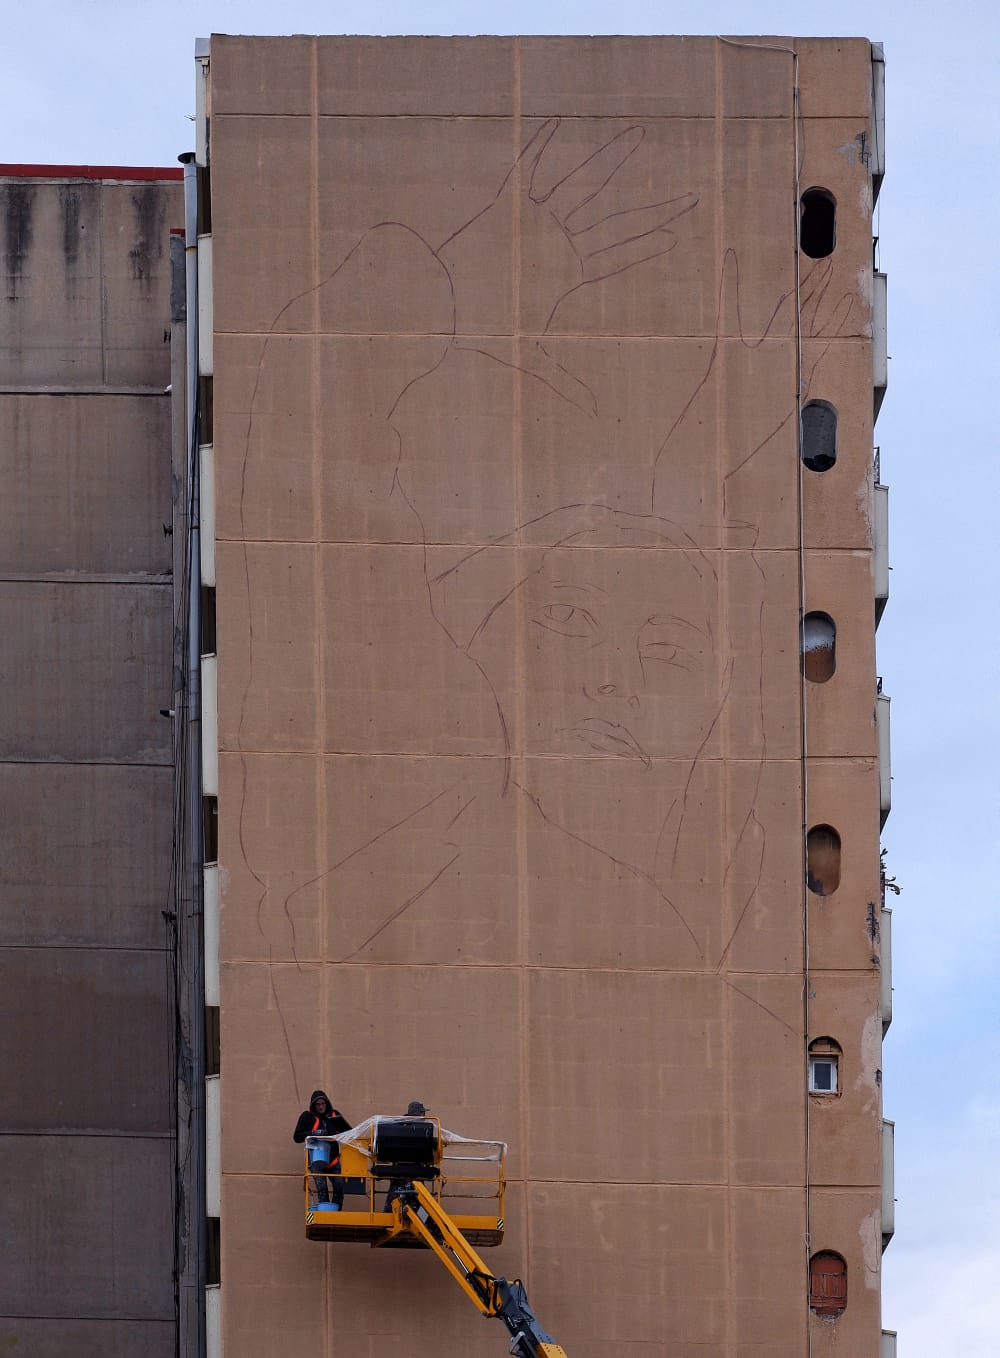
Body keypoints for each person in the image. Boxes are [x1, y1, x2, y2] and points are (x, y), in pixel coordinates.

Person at [293, 1090, 351, 1208]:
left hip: (333, 1160)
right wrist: (313, 1133)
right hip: (316, 1160)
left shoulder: (334, 1115)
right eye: (318, 1104)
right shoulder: (307, 1117)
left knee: (339, 1187)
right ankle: (325, 1212)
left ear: (327, 1103)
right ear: (313, 1105)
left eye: (322, 1104)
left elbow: (349, 1132)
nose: (320, 1107)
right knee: (322, 1190)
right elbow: (297, 1137)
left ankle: (336, 1212)